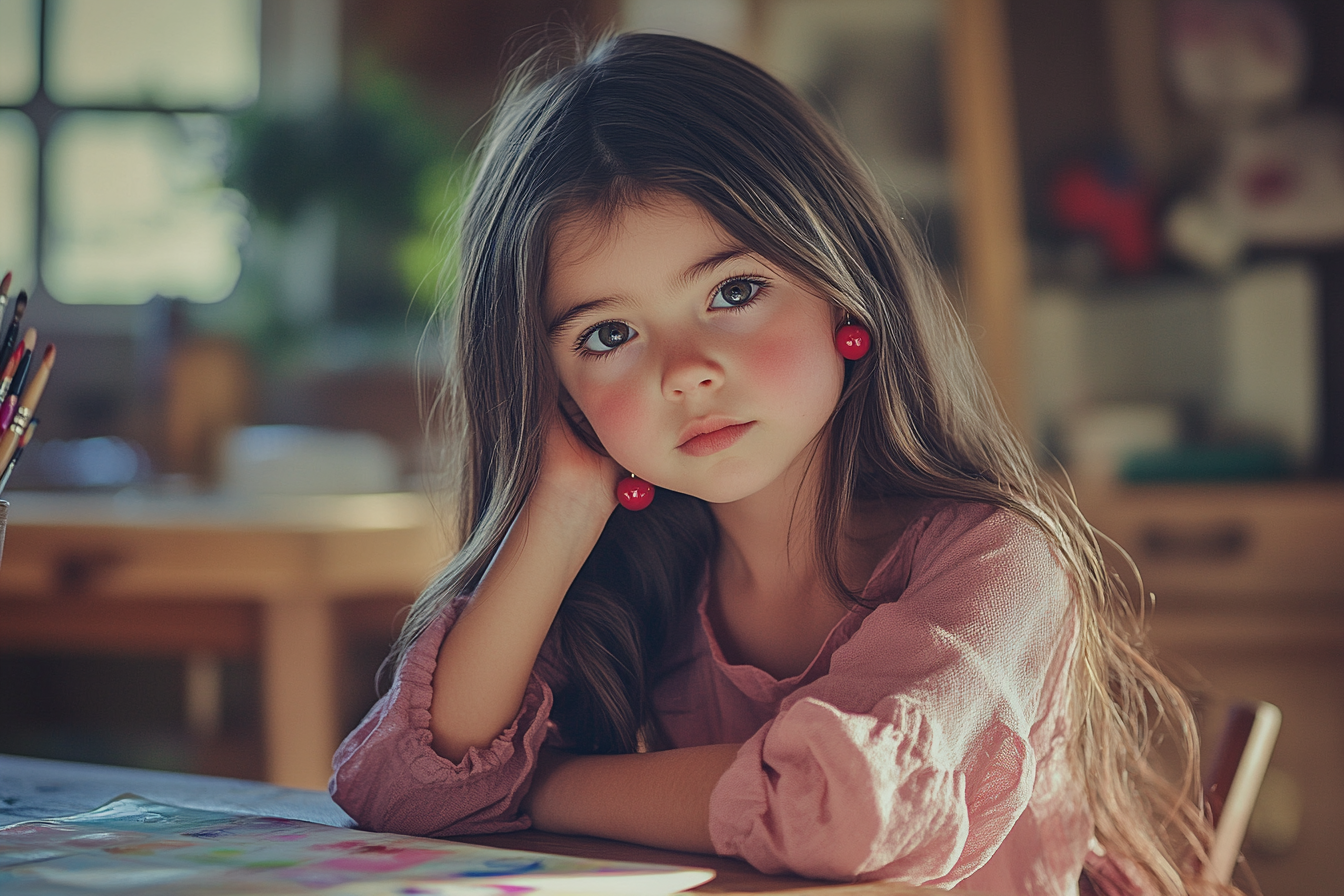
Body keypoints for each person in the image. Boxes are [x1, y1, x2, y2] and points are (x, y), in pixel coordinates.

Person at [330, 32, 1229, 896]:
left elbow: (842, 810)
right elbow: (401, 792)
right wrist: (562, 502)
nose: (686, 371)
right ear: (553, 390)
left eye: (734, 291)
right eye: (608, 335)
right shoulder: (641, 579)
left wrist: (543, 785)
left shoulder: (996, 563)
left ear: (843, 281)